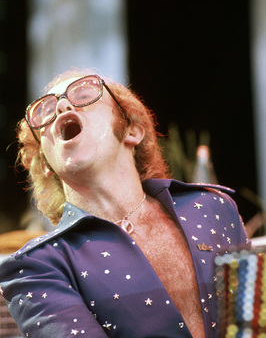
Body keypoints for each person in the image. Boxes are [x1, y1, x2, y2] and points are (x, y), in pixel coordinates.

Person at [0, 68, 250, 338]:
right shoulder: (36, 266)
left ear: (132, 131)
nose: (61, 105)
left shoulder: (213, 208)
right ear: (45, 164)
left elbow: (253, 324)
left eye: (85, 94)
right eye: (45, 111)